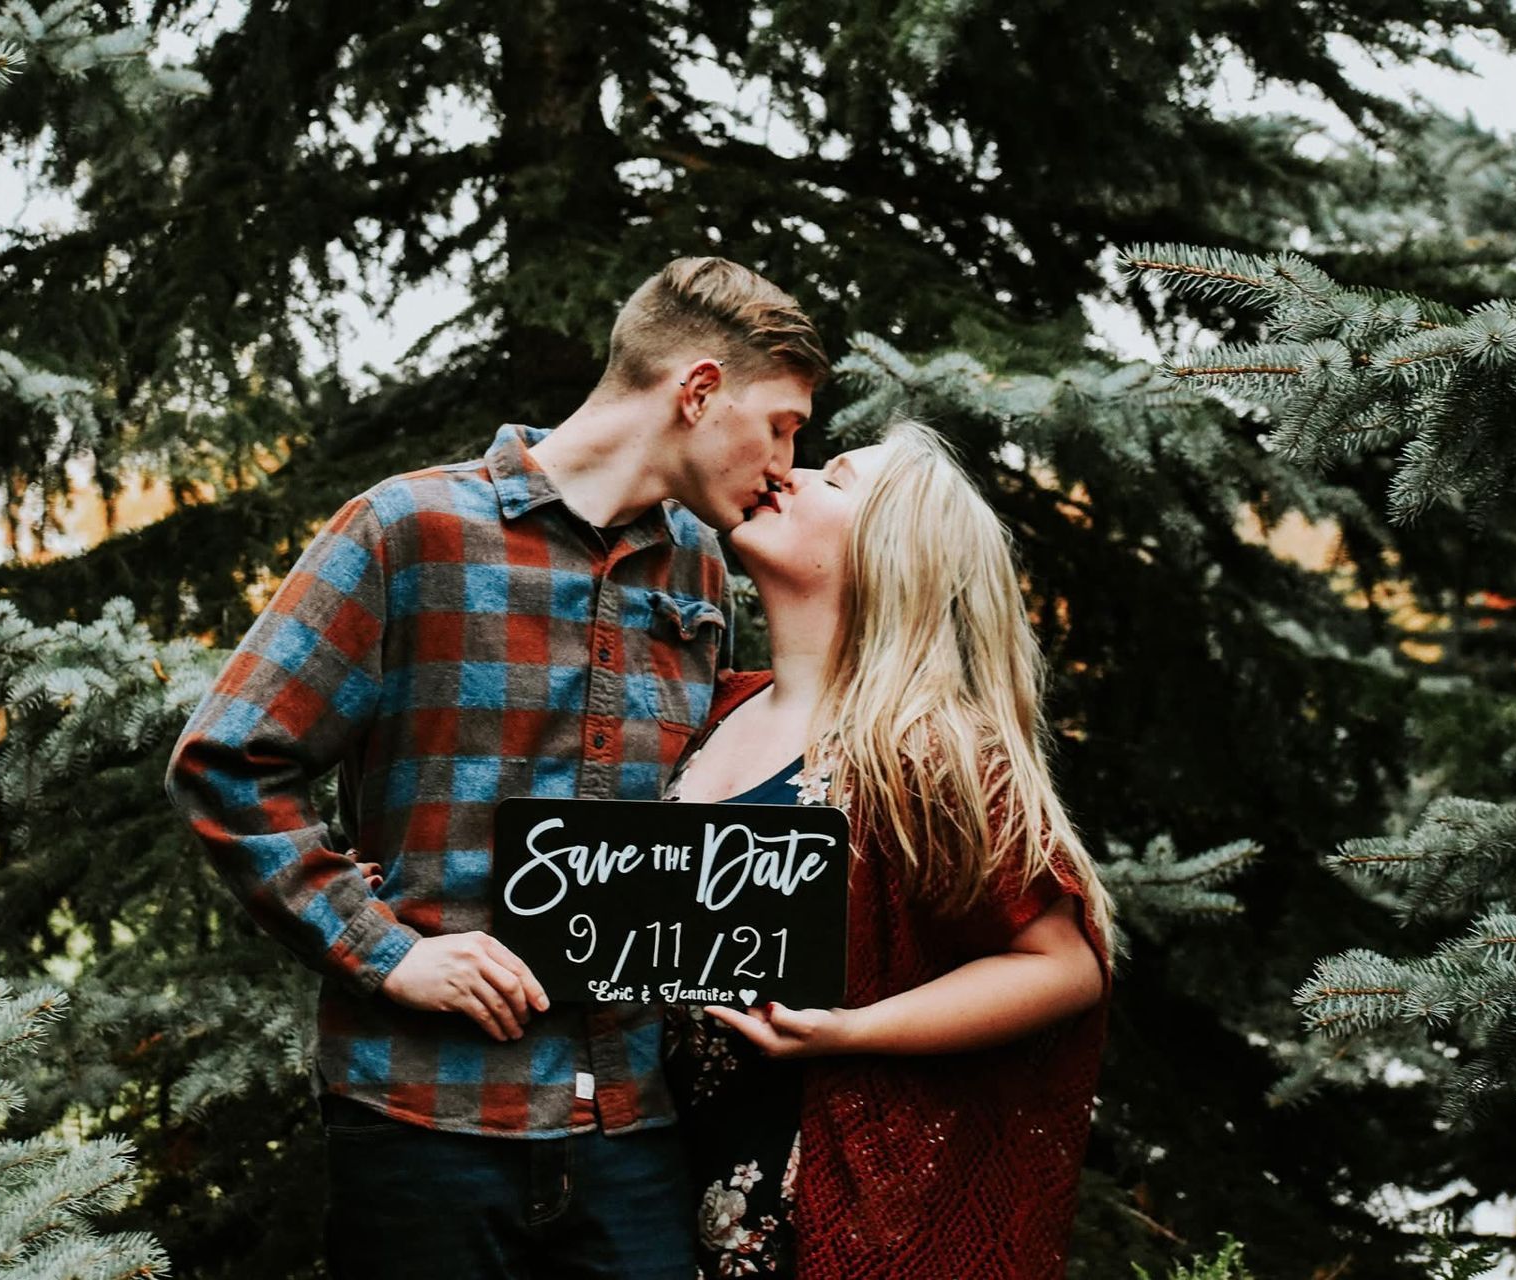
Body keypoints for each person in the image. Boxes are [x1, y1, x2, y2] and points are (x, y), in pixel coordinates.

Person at [163, 257, 828, 1279]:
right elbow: (229, 759)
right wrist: (390, 953)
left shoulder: (698, 565)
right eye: (781, 423)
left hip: (630, 1126)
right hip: (426, 1120)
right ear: (697, 391)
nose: (788, 462)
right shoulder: (407, 529)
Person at [661, 418, 1116, 1278]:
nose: (786, 474)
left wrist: (853, 1032)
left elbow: (1061, 964)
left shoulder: (926, 746)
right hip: (650, 1187)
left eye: (834, 479)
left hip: (819, 1213)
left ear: (891, 554)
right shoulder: (709, 707)